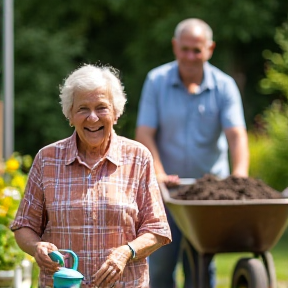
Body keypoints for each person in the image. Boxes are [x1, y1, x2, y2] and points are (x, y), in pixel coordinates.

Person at [10, 63, 172, 288]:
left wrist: (126, 252)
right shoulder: (47, 159)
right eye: (83, 109)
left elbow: (157, 229)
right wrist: (37, 247)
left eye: (102, 107)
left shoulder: (138, 157)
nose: (93, 118)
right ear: (70, 115)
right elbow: (24, 225)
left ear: (115, 113)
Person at [135, 18, 249, 288]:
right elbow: (145, 133)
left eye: (197, 50)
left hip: (207, 195)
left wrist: (239, 175)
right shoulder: (157, 81)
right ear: (175, 47)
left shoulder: (224, 86)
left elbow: (236, 135)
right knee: (160, 264)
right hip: (167, 193)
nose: (190, 56)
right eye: (185, 48)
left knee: (201, 265)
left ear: (210, 49)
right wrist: (159, 174)